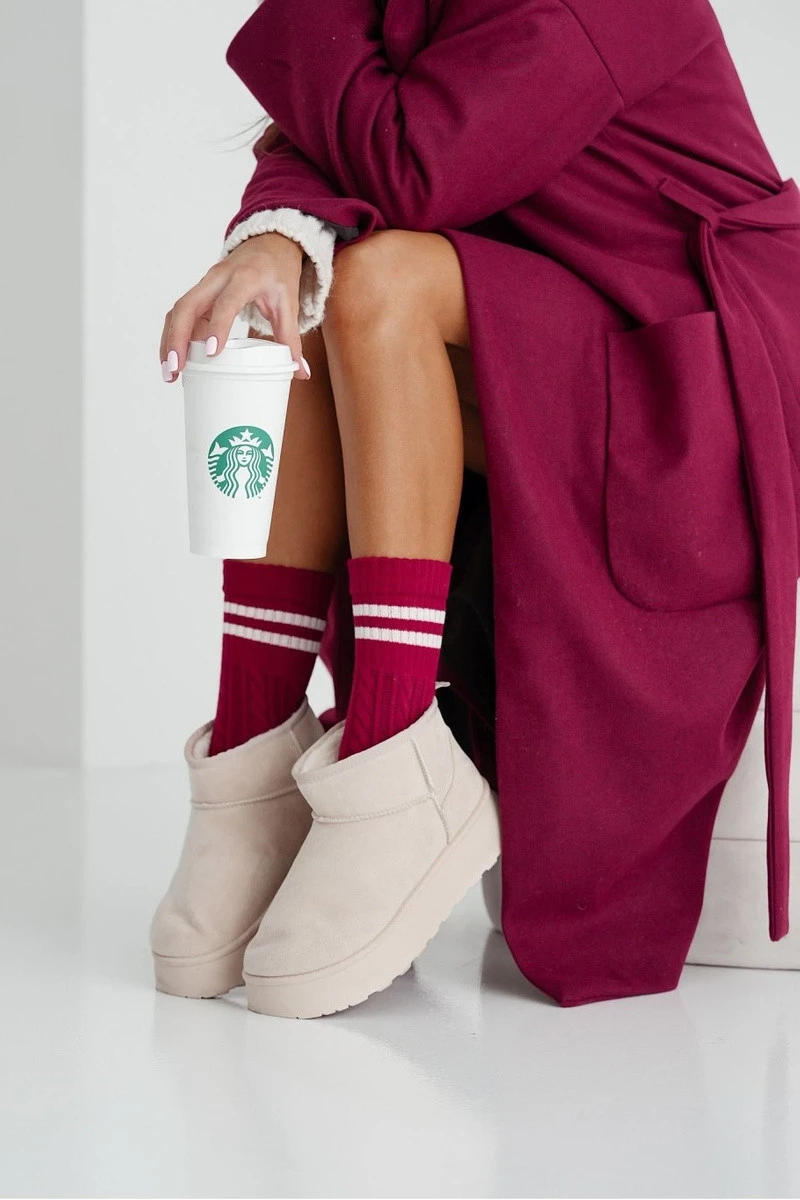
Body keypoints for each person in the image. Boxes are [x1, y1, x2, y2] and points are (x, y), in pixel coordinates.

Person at [150, 0, 800, 1016]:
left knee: (379, 278)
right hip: (582, 323)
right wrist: (273, 239)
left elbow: (413, 169)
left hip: (700, 367)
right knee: (299, 300)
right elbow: (334, 143)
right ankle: (253, 747)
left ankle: (395, 754)